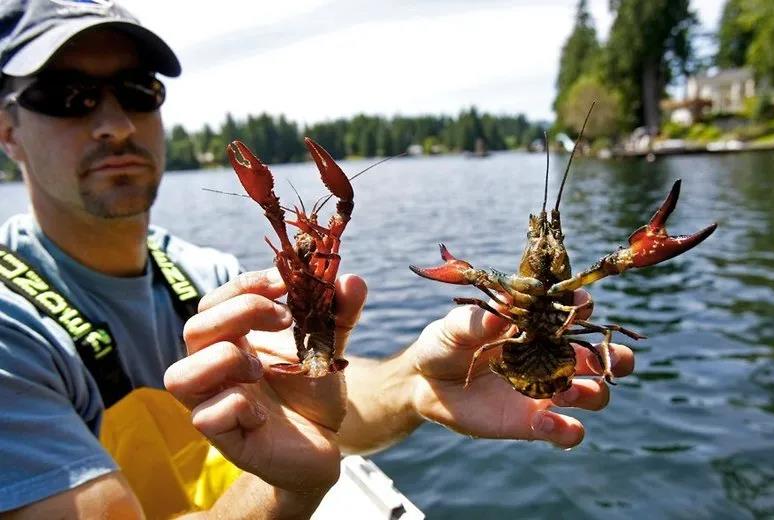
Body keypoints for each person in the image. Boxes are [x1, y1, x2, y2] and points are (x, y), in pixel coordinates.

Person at [0, 0, 634, 518]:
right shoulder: (11, 328)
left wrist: (417, 380)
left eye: (137, 89)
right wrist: (286, 493)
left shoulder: (206, 275)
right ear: (7, 132)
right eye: (66, 94)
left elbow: (326, 398)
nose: (113, 122)